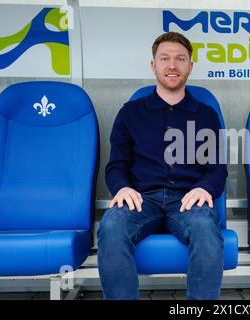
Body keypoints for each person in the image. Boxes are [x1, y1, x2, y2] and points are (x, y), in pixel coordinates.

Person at [97, 32, 227, 300]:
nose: (172, 65)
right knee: (112, 225)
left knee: (205, 226)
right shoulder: (131, 112)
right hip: (141, 201)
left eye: (180, 59)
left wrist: (204, 188)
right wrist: (121, 187)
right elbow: (116, 165)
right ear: (153, 65)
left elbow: (218, 169)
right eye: (164, 58)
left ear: (190, 66)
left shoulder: (206, 115)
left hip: (187, 201)